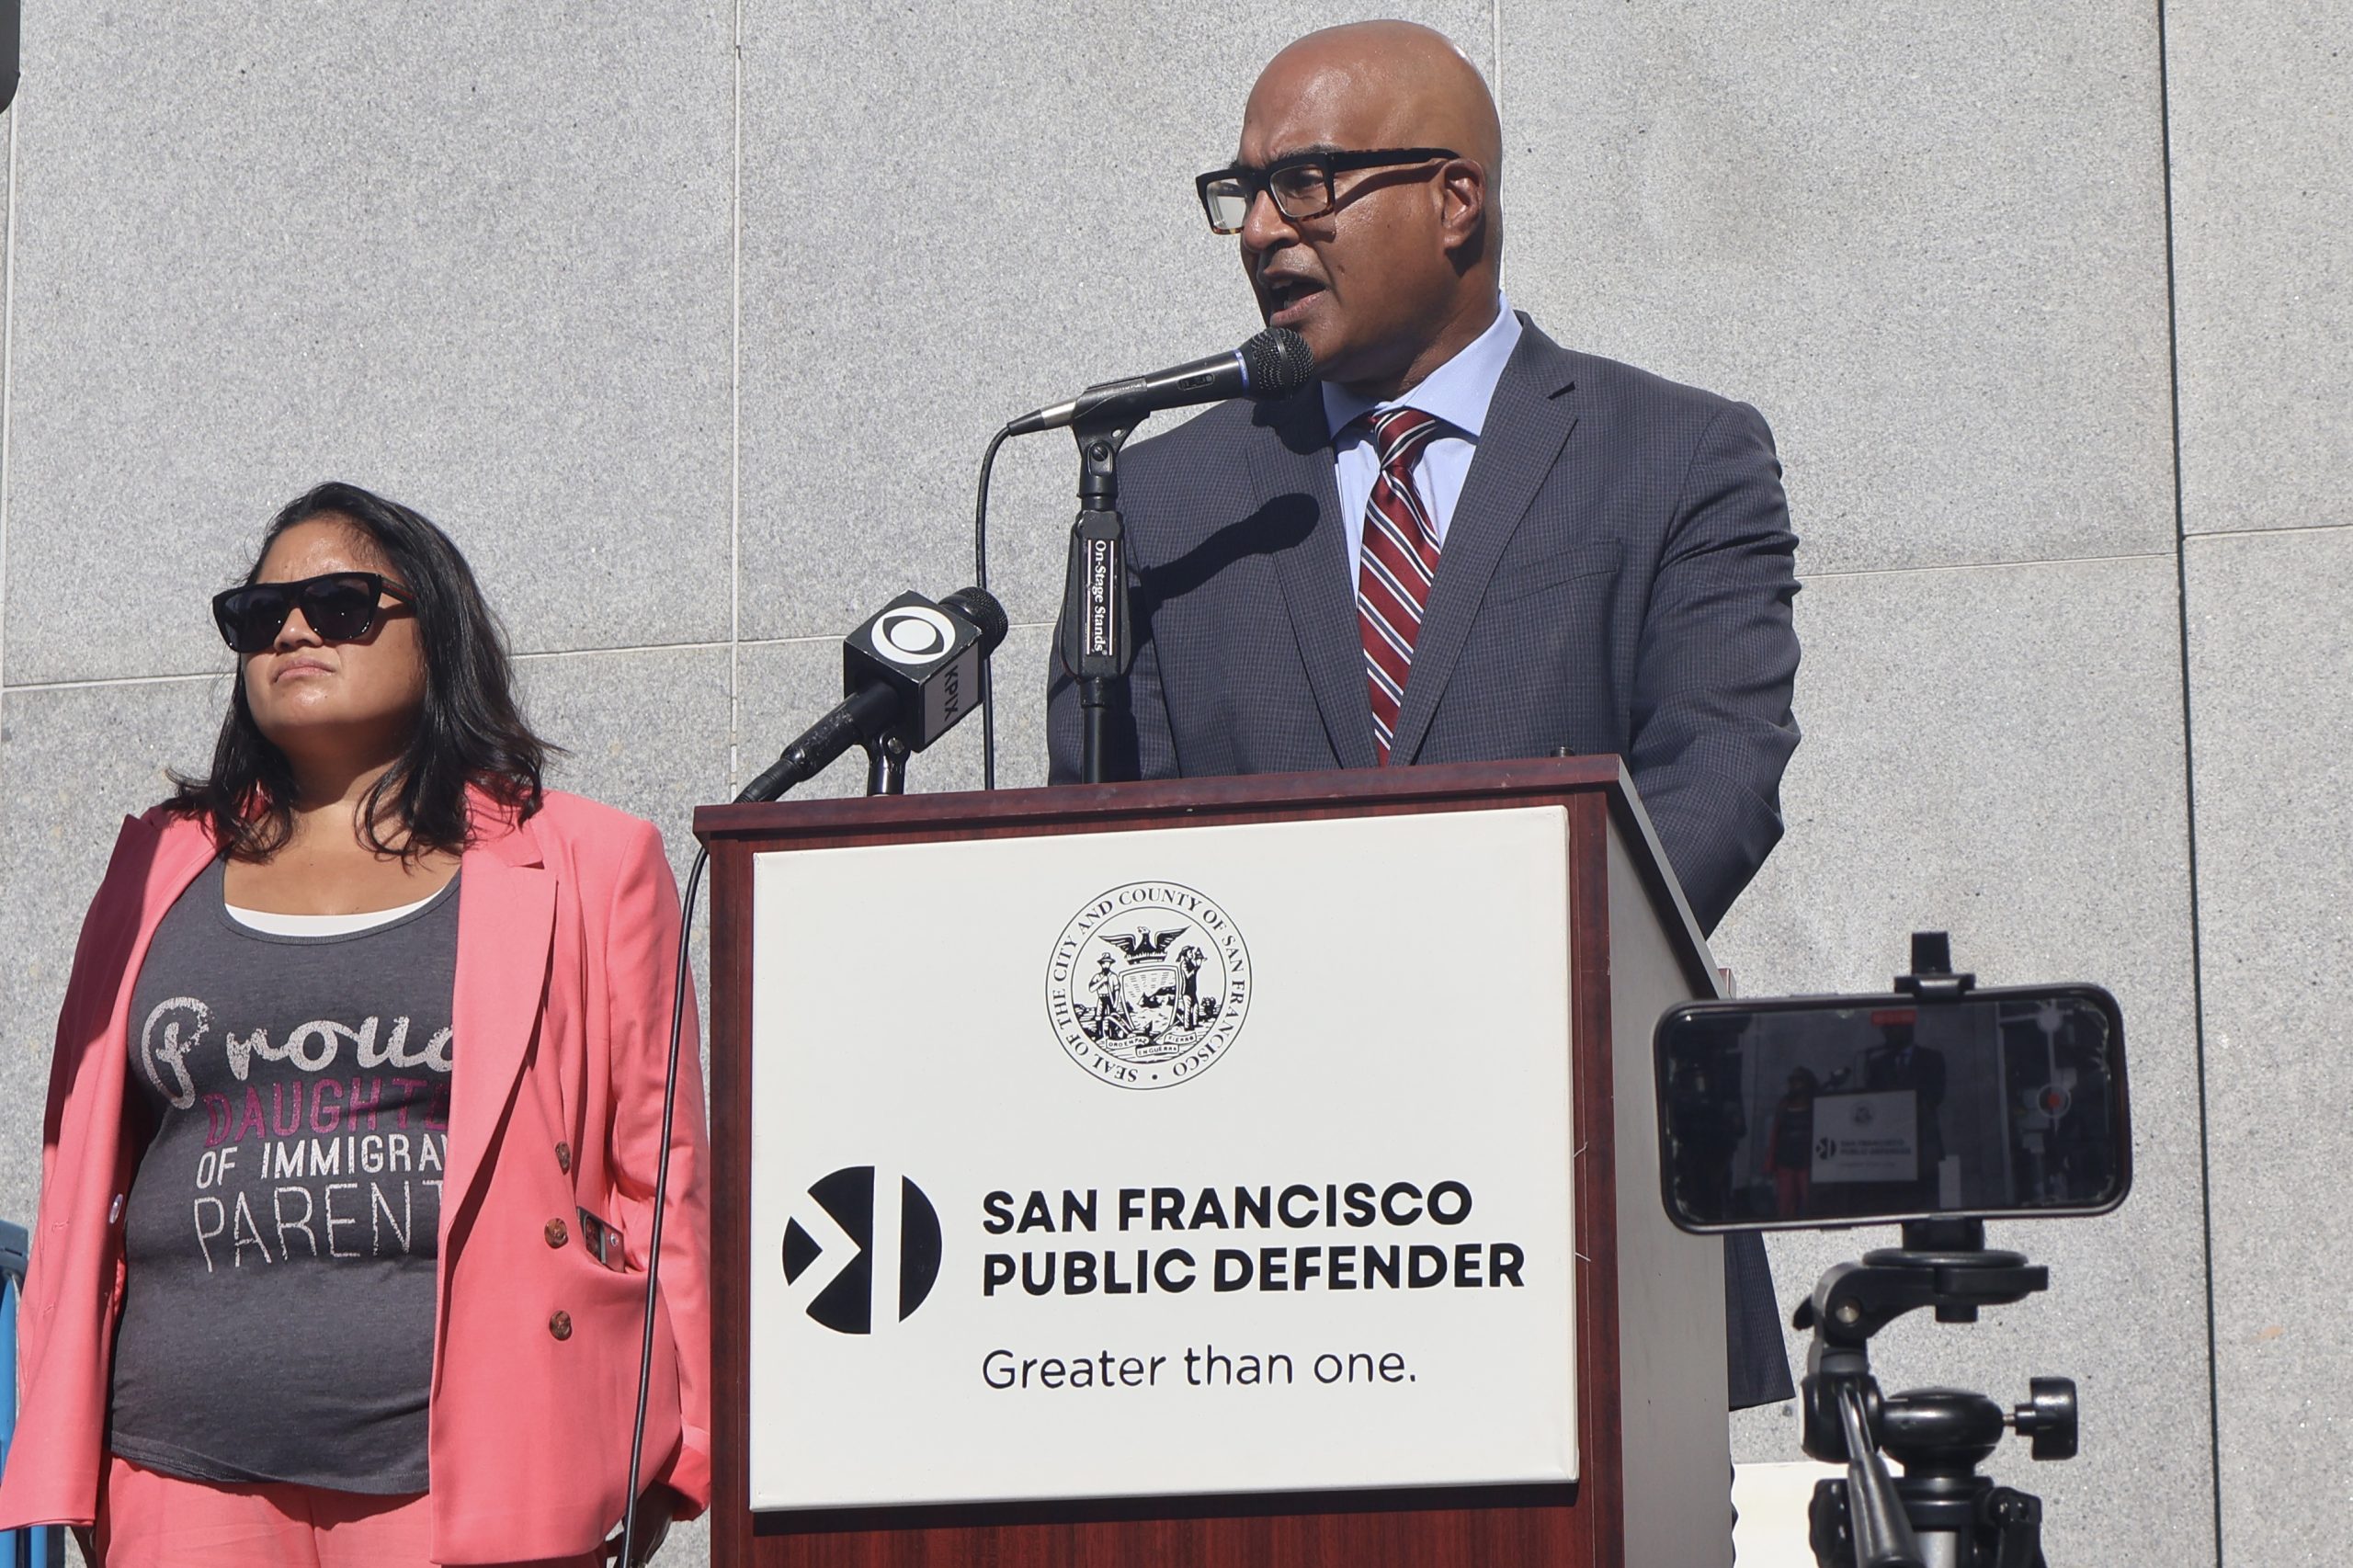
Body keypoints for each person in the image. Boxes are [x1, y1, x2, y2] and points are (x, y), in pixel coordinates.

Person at [1045, 21, 1800, 1409]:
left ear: (1458, 200)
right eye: (1245, 192)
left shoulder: (1677, 454)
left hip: (1591, 1168)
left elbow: (1720, 774)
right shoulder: (1166, 498)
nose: (1264, 229)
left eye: (1308, 182)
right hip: (1271, 1244)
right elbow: (1108, 833)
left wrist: (1489, 992)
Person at [0, 483, 710, 1566]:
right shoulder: (152, 866)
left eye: (337, 603)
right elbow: (78, 1174)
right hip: (176, 1467)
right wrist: (71, 1463)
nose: (289, 629)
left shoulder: (588, 863)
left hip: (476, 1472)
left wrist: (676, 1447)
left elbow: (663, 1176)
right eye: (256, 613)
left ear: (437, 625)